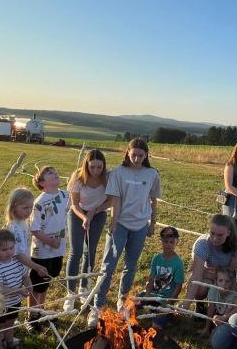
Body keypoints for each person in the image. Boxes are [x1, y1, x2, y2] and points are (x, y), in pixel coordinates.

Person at [89, 138, 162, 327]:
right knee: (108, 266)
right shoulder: (118, 173)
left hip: (140, 226)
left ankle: (122, 301)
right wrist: (113, 223)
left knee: (131, 265)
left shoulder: (152, 174)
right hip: (120, 224)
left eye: (140, 155)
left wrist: (152, 223)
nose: (137, 159)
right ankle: (97, 306)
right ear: (127, 153)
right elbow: (115, 199)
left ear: (146, 155)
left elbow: (153, 200)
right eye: (133, 155)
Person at [65, 149, 110, 310]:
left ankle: (84, 288)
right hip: (77, 214)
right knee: (75, 252)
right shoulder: (77, 177)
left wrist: (94, 212)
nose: (96, 171)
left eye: (99, 167)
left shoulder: (108, 178)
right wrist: (84, 217)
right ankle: (70, 294)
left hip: (98, 213)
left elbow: (111, 201)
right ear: (86, 165)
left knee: (90, 251)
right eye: (92, 167)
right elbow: (74, 205)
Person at [28, 166, 69, 329]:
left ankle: (41, 311)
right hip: (42, 252)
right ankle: (32, 316)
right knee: (37, 284)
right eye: (50, 174)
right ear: (42, 183)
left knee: (46, 281)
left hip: (58, 250)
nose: (55, 174)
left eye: (55, 172)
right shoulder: (39, 203)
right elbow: (34, 229)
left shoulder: (64, 195)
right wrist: (50, 242)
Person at [182, 215, 237, 317]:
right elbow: (196, 275)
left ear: (229, 233)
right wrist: (186, 304)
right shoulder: (202, 244)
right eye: (212, 233)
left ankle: (221, 310)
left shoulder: (235, 246)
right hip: (206, 276)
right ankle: (200, 304)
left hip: (224, 278)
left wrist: (219, 277)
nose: (215, 238)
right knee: (201, 288)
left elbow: (231, 272)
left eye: (220, 235)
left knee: (228, 287)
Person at [0, 229, 31, 349]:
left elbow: (25, 276)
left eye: (11, 248)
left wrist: (28, 284)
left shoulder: (17, 262)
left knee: (10, 323)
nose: (9, 252)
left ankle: (10, 343)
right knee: (0, 326)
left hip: (15, 302)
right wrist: (19, 290)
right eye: (4, 249)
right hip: (1, 305)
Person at [136, 226, 185, 329]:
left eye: (172, 242)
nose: (168, 245)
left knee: (156, 325)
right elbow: (151, 277)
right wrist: (148, 293)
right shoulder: (156, 258)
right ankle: (155, 310)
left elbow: (178, 287)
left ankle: (169, 316)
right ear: (161, 241)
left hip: (166, 299)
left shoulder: (178, 263)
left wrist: (168, 302)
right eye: (165, 241)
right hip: (153, 294)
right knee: (133, 304)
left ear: (177, 242)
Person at [4, 187, 49, 283]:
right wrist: (37, 267)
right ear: (14, 207)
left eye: (31, 207)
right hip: (13, 272)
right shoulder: (14, 229)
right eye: (25, 208)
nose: (29, 211)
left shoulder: (23, 222)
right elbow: (20, 255)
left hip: (22, 269)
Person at [202, 268, 237, 337]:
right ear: (216, 281)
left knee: (215, 335)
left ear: (232, 282)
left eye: (227, 281)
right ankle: (208, 328)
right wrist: (207, 328)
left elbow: (224, 316)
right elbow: (211, 307)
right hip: (219, 312)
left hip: (227, 316)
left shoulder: (233, 295)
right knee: (212, 331)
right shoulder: (214, 289)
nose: (224, 284)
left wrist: (216, 327)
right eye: (220, 280)